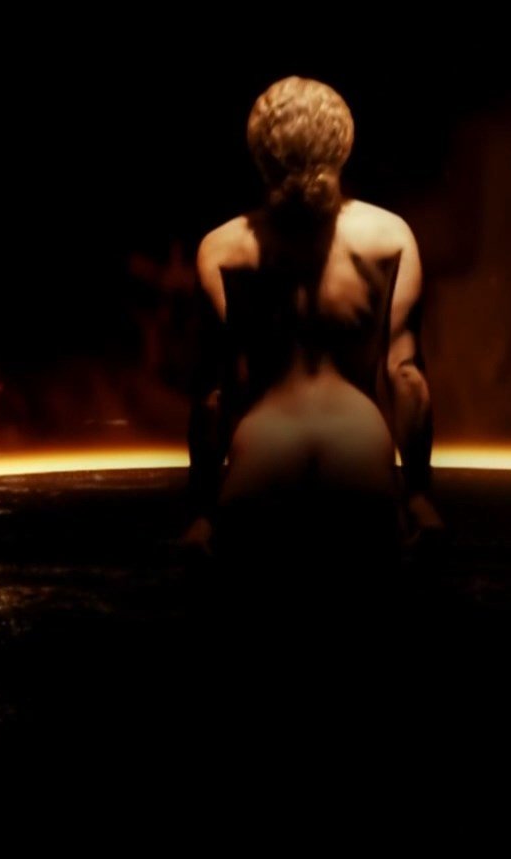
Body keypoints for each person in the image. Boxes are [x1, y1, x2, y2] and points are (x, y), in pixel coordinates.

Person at [181, 76, 441, 570]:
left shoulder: (222, 249)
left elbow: (213, 394)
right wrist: (420, 496)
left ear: (261, 151)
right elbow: (407, 376)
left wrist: (200, 512)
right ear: (342, 144)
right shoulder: (389, 237)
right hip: (360, 469)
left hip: (260, 471)